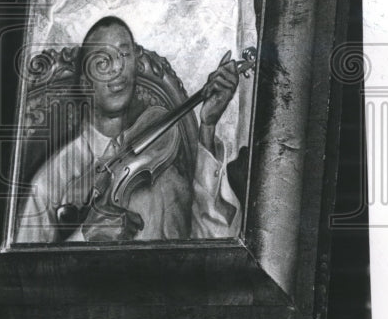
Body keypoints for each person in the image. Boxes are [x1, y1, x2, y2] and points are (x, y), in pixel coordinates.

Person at [14, 16, 243, 244]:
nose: (117, 67)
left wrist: (208, 126)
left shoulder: (159, 165)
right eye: (103, 58)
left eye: (124, 54)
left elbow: (213, 246)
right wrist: (85, 236)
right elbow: (22, 276)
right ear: (84, 82)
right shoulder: (50, 180)